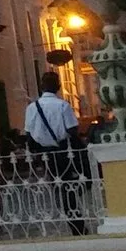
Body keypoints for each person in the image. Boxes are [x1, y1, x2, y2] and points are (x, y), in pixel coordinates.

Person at [22, 73, 88, 234]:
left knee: (58, 186)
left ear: (41, 86)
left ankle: (70, 218)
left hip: (45, 154)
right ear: (58, 86)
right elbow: (72, 129)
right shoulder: (62, 105)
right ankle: (76, 221)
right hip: (64, 151)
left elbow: (29, 134)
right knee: (70, 186)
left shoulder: (32, 108)